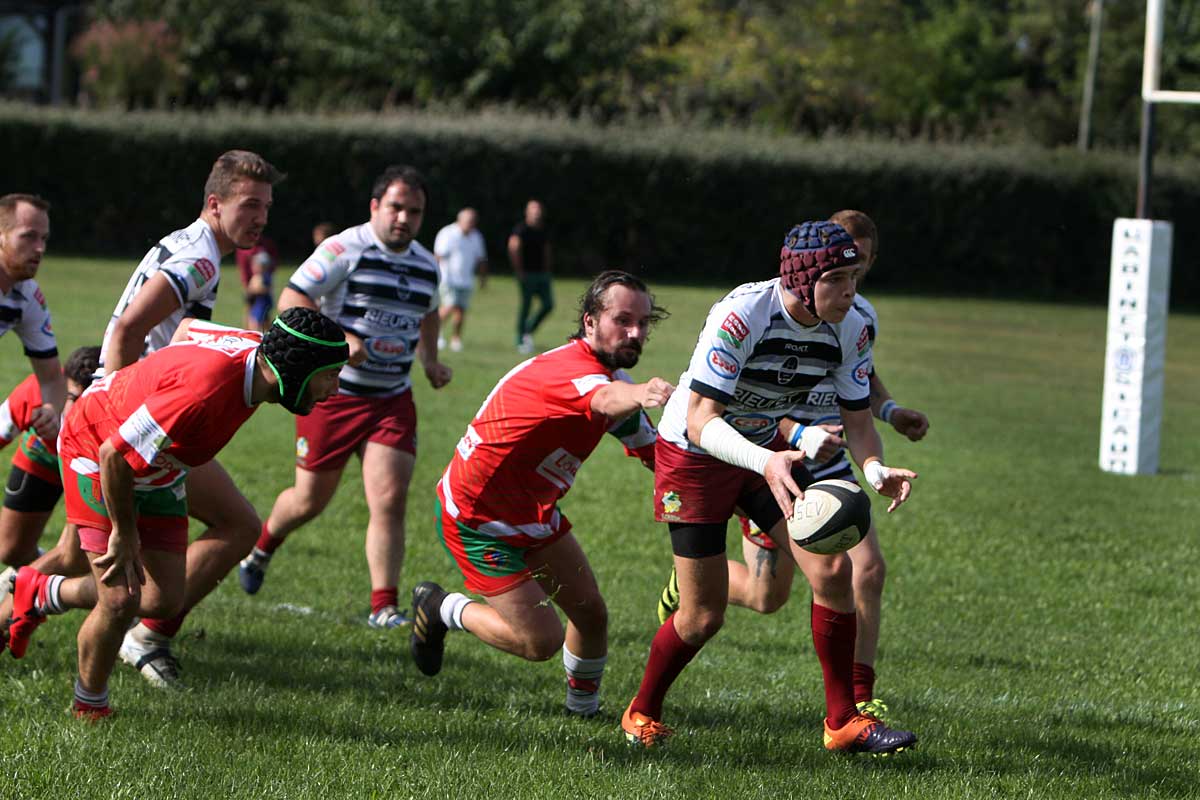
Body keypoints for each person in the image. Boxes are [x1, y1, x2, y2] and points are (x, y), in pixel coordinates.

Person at [620, 220, 919, 755]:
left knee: (833, 568)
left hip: (765, 453)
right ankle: (641, 710)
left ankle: (842, 722)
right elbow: (700, 421)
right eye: (837, 278)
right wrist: (767, 462)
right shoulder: (742, 314)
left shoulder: (851, 325)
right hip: (695, 455)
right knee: (702, 616)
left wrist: (875, 471)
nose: (851, 290)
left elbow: (858, 424)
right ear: (803, 281)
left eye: (855, 276)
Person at [4, 309, 347, 720]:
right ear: (294, 369)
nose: (336, 388)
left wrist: (156, 386)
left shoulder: (259, 351)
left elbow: (187, 329)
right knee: (119, 599)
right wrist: (125, 533)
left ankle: (42, 592)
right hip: (93, 450)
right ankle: (89, 706)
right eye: (330, 375)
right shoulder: (202, 393)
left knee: (162, 600)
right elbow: (113, 454)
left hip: (159, 462)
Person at [27, 150, 285, 687]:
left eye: (266, 206)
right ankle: (146, 638)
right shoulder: (202, 260)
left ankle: (21, 595)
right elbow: (125, 333)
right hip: (135, 423)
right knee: (239, 526)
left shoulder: (199, 248)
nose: (260, 217)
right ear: (215, 204)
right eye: (250, 205)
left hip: (127, 417)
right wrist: (123, 420)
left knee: (76, 555)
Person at [409, 270, 670, 717]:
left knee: (590, 614)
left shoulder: (609, 381)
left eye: (643, 323)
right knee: (540, 641)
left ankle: (582, 712)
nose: (635, 332)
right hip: (476, 520)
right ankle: (440, 606)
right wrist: (641, 390)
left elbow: (660, 455)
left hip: (534, 514)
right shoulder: (575, 375)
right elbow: (603, 399)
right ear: (589, 321)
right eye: (622, 319)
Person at [239, 165, 452, 631]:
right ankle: (261, 548)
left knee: (390, 499)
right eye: (395, 208)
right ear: (375, 206)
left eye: (414, 212)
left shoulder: (425, 263)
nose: (404, 219)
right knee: (309, 500)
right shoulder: (344, 249)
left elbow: (430, 312)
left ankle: (383, 607)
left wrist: (430, 360)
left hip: (392, 399)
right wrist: (341, 338)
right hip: (332, 395)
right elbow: (291, 297)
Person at [0, 346, 102, 569]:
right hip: (44, 457)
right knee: (11, 550)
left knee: (79, 557)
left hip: (96, 467)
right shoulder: (38, 391)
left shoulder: (115, 409)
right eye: (71, 398)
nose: (75, 410)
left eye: (85, 403)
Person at [0, 194, 67, 437]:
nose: (40, 248)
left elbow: (51, 378)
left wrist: (51, 409)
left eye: (43, 238)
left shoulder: (26, 296)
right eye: (28, 236)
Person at [434, 207, 488, 352]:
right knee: (449, 306)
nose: (471, 224)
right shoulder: (448, 234)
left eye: (473, 222)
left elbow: (481, 259)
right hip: (448, 279)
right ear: (460, 220)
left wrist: (483, 278)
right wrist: (433, 275)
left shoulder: (476, 236)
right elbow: (438, 256)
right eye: (468, 221)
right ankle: (435, 333)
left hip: (466, 280)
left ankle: (456, 339)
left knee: (461, 311)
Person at [509, 199, 553, 354]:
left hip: (542, 274)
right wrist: (519, 270)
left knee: (548, 304)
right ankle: (521, 338)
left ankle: (528, 329)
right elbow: (514, 247)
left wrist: (548, 270)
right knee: (526, 306)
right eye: (533, 210)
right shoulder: (521, 230)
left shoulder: (543, 230)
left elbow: (547, 250)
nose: (536, 213)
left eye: (538, 210)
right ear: (527, 212)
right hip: (527, 274)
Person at [237, 236, 279, 332]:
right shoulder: (258, 276)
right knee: (257, 319)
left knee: (256, 321)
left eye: (256, 265)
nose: (254, 267)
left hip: (262, 303)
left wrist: (252, 290)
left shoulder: (263, 276)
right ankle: (251, 332)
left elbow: (263, 288)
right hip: (259, 302)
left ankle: (254, 335)